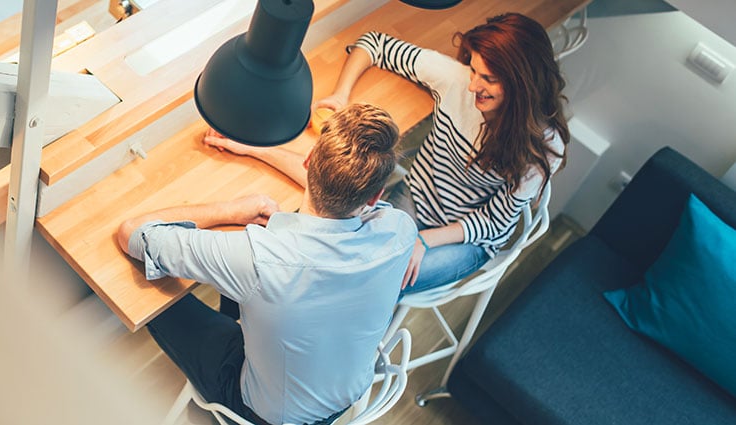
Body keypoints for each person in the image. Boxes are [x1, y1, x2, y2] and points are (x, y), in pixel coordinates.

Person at [210, 13, 570, 293]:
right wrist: (340, 94)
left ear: (521, 83)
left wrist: (420, 240)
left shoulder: (544, 147)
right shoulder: (457, 80)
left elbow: (493, 223)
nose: (474, 85)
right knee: (335, 203)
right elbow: (375, 44)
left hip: (463, 238)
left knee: (372, 278)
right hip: (413, 200)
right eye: (474, 70)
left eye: (488, 79)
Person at [116, 104, 416, 425]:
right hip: (345, 393)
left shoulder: (259, 258)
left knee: (151, 291)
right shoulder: (399, 228)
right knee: (246, 286)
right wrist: (252, 148)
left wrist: (231, 211)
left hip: (266, 416)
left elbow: (133, 234)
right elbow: (341, 190)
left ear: (309, 160)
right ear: (375, 196)